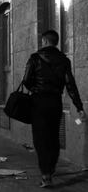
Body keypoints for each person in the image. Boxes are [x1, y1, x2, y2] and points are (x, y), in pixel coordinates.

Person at [23, 30, 86, 188]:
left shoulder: (35, 58)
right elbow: (70, 85)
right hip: (55, 102)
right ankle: (50, 169)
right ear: (56, 42)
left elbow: (26, 80)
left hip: (38, 102)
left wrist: (35, 89)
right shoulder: (64, 60)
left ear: (44, 41)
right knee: (53, 137)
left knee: (40, 138)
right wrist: (79, 107)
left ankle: (45, 174)